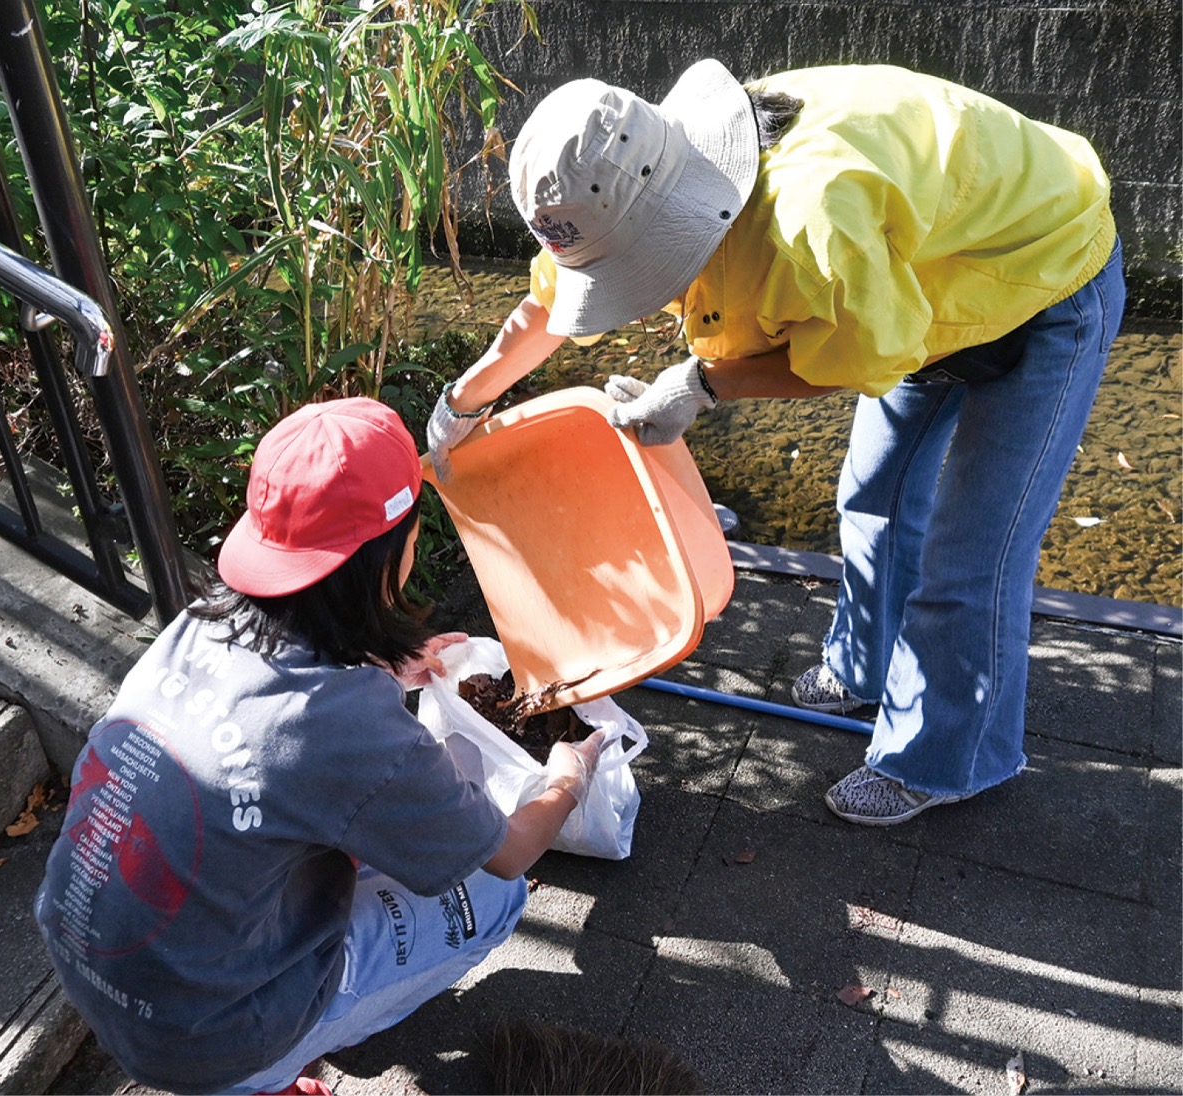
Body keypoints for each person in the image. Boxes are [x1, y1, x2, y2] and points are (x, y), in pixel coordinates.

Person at [426, 59, 1124, 826]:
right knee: (873, 492)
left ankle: (948, 759)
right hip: (921, 277)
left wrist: (701, 386)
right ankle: (863, 668)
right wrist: (465, 400)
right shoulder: (621, 174)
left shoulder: (813, 222)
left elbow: (859, 362)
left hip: (1045, 277)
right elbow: (546, 303)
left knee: (973, 554)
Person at [34, 397, 608, 1094]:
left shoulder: (203, 620)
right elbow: (509, 852)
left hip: (99, 964)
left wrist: (388, 666)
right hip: (207, 1037)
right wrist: (567, 777)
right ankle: (264, 1073)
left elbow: (273, 723)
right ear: (390, 553)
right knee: (495, 899)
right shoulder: (343, 722)